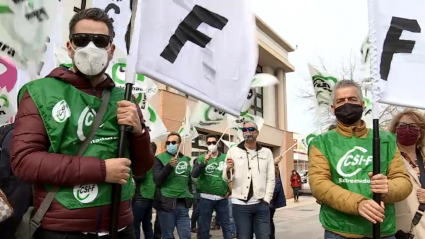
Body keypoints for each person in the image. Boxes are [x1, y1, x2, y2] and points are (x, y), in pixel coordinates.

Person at [10, 8, 155, 239]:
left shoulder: (125, 97)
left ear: (111, 50)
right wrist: (102, 170)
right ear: (70, 47)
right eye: (81, 39)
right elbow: (24, 161)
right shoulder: (39, 92)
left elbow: (142, 168)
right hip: (62, 229)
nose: (91, 47)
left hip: (121, 226)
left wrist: (139, 133)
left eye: (100, 41)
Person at [309, 80, 412, 239]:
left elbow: (404, 182)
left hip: (382, 230)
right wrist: (359, 204)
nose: (347, 104)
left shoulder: (385, 140)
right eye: (340, 101)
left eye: (352, 99)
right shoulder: (321, 142)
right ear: (333, 108)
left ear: (363, 104)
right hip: (339, 230)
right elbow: (319, 185)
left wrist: (388, 187)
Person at [223, 121, 275, 239]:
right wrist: (228, 169)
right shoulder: (233, 151)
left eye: (251, 129)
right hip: (240, 204)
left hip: (261, 203)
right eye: (244, 130)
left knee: (264, 236)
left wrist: (267, 199)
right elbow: (226, 178)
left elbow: (271, 178)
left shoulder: (267, 152)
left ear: (257, 133)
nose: (247, 132)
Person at [388, 110, 425, 238]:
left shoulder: (423, 157)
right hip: (400, 228)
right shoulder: (386, 156)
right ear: (395, 130)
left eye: (413, 127)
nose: (407, 130)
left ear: (420, 133)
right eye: (402, 126)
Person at [153, 132, 194, 239]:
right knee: (167, 236)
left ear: (179, 144)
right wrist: (169, 166)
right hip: (166, 204)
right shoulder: (159, 158)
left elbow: (189, 181)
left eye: (173, 142)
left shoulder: (185, 160)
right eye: (168, 142)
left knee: (186, 236)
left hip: (183, 205)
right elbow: (157, 180)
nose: (170, 144)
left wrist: (190, 196)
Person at [192, 134, 232, 239]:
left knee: (226, 225)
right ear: (206, 144)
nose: (211, 145)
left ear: (218, 144)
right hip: (205, 198)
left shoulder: (225, 157)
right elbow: (194, 174)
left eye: (214, 142)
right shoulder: (200, 158)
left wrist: (230, 190)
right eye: (209, 143)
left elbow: (231, 175)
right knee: (204, 227)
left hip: (222, 198)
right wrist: (204, 162)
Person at [0, 124, 32, 239]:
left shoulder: (12, 136)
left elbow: (3, 169)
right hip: (25, 193)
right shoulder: (25, 132)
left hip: (13, 195)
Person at [132, 142, 158, 239]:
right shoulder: (156, 161)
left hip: (140, 197)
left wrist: (131, 174)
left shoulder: (145, 161)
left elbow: (140, 177)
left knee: (135, 225)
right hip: (150, 196)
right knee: (147, 226)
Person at [270, 156, 286, 239]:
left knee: (268, 221)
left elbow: (276, 187)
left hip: (269, 202)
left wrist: (269, 199)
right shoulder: (274, 171)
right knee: (269, 221)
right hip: (271, 202)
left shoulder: (273, 173)